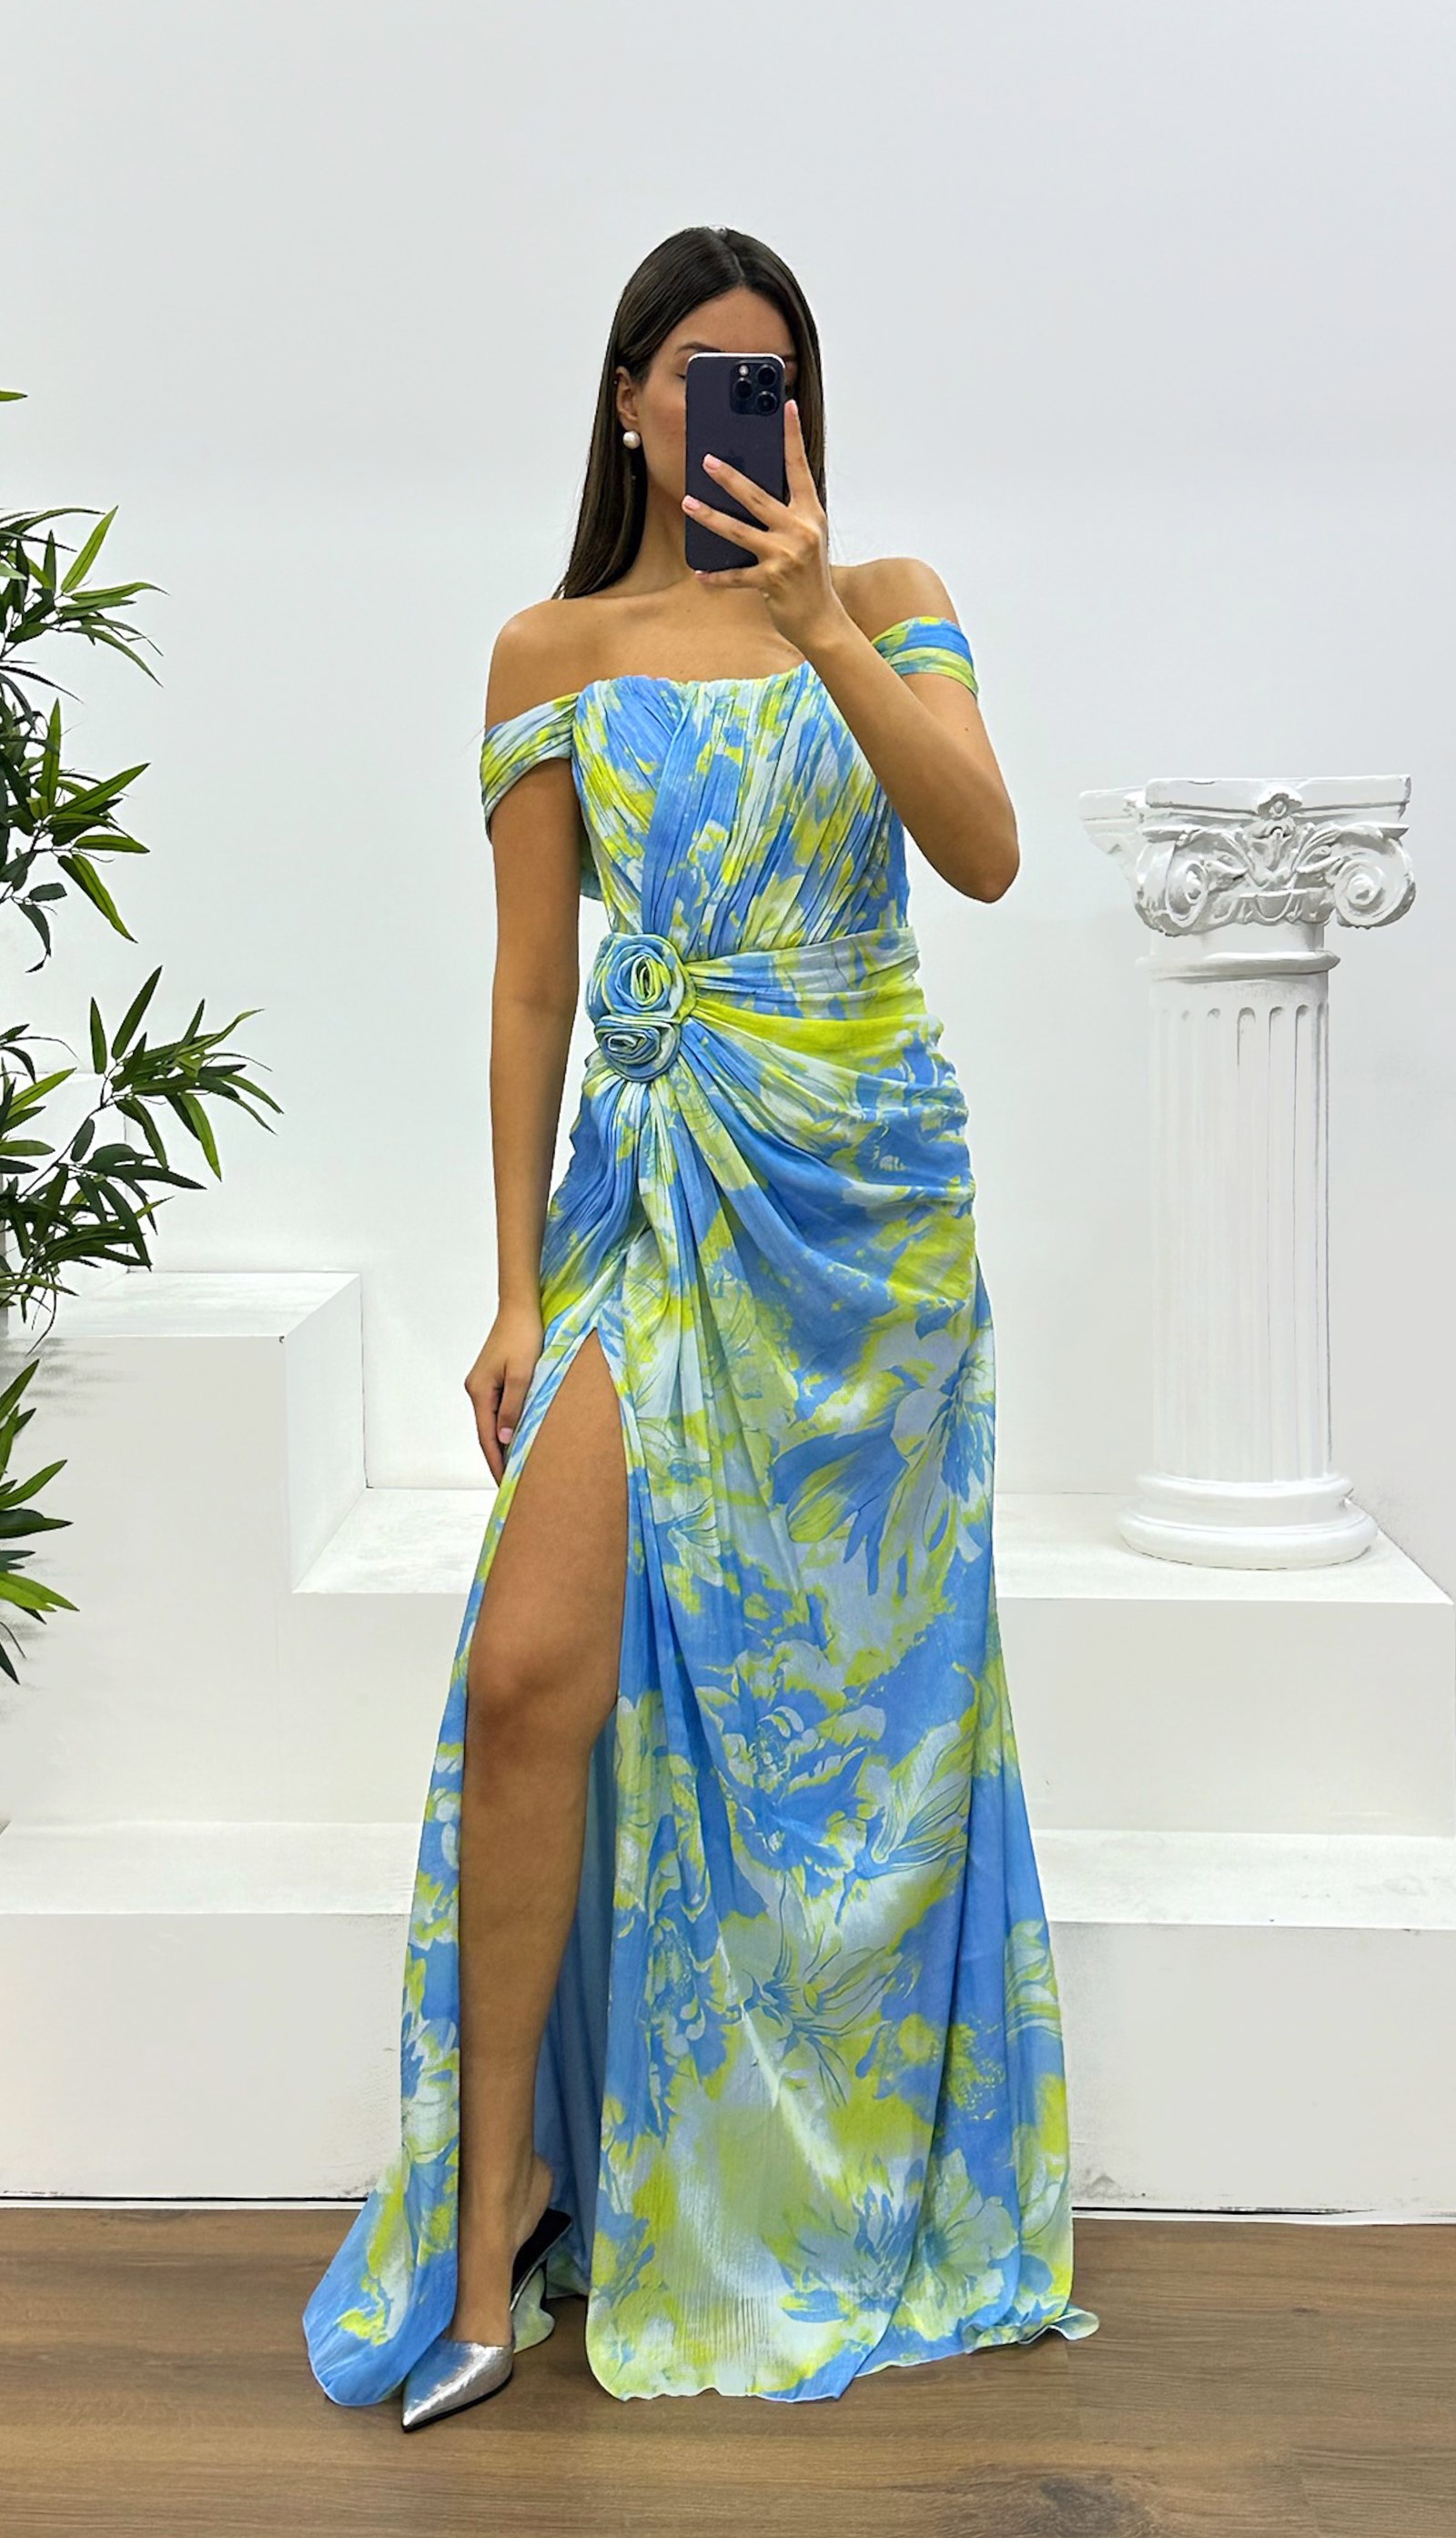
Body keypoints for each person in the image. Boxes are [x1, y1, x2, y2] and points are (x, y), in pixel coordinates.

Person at [303, 222, 1098, 2424]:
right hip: (649, 1199)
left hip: (866, 1231)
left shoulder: (892, 597)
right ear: (629, 402)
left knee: (857, 1728)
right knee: (528, 1673)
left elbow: (983, 850)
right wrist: (511, 1287)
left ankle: (814, 2173)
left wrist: (818, 618)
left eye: (774, 378)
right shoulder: (545, 651)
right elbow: (530, 990)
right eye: (699, 374)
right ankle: (494, 2221)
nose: (738, 409)